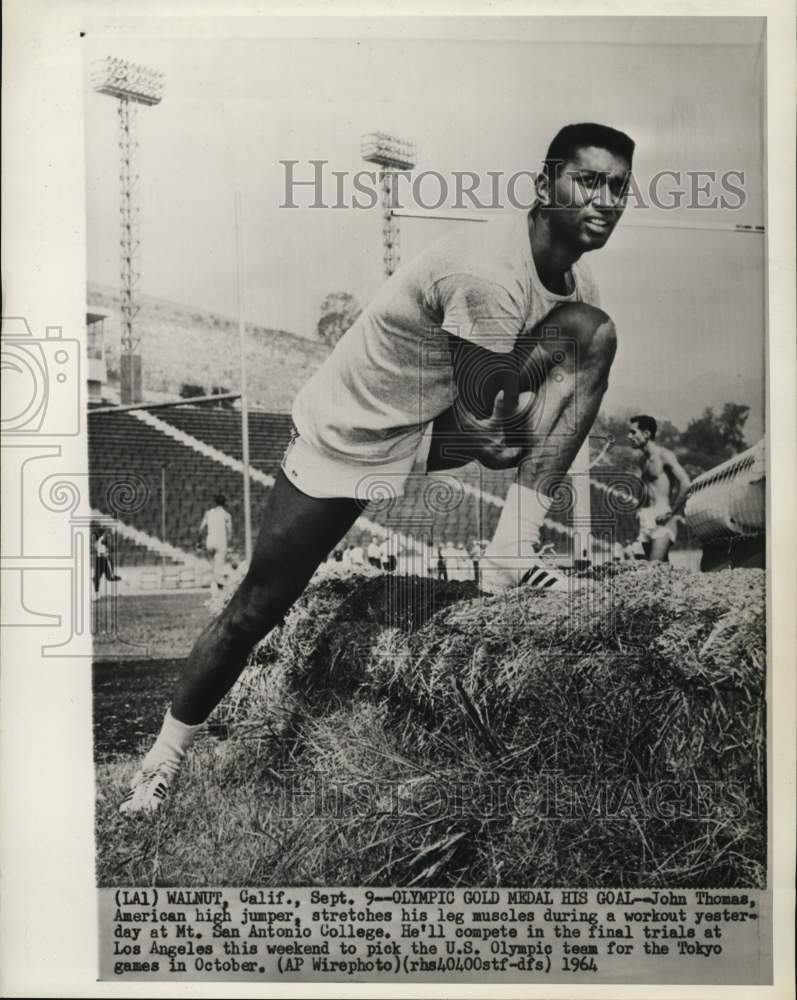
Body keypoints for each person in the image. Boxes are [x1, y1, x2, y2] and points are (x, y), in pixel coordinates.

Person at [120, 122, 632, 813]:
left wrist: (535, 420)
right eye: (588, 180)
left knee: (590, 333)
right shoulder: (488, 271)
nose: (603, 200)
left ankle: (509, 553)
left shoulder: (577, 280)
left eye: (618, 187)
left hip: (430, 428)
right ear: (544, 186)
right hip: (351, 436)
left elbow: (529, 397)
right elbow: (491, 431)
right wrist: (522, 426)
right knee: (256, 609)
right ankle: (160, 763)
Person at [627, 415, 691, 562]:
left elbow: (686, 484)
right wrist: (639, 510)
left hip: (663, 517)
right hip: (646, 518)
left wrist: (671, 513)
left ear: (646, 434)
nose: (629, 436)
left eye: (633, 432)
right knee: (658, 571)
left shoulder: (664, 456)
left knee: (653, 569)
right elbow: (646, 489)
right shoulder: (642, 460)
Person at [198, 495, 233, 590]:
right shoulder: (227, 515)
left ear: (215, 503)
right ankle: (220, 588)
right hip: (221, 541)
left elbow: (201, 529)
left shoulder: (208, 513)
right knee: (219, 567)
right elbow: (230, 532)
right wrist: (229, 546)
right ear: (224, 503)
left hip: (210, 541)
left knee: (213, 566)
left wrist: (199, 543)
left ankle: (216, 586)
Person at [92, 529, 122, 596]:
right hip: (99, 561)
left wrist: (107, 531)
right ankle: (97, 594)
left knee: (110, 578)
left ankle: (124, 580)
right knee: (95, 578)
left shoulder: (102, 543)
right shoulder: (97, 543)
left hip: (106, 561)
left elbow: (102, 538)